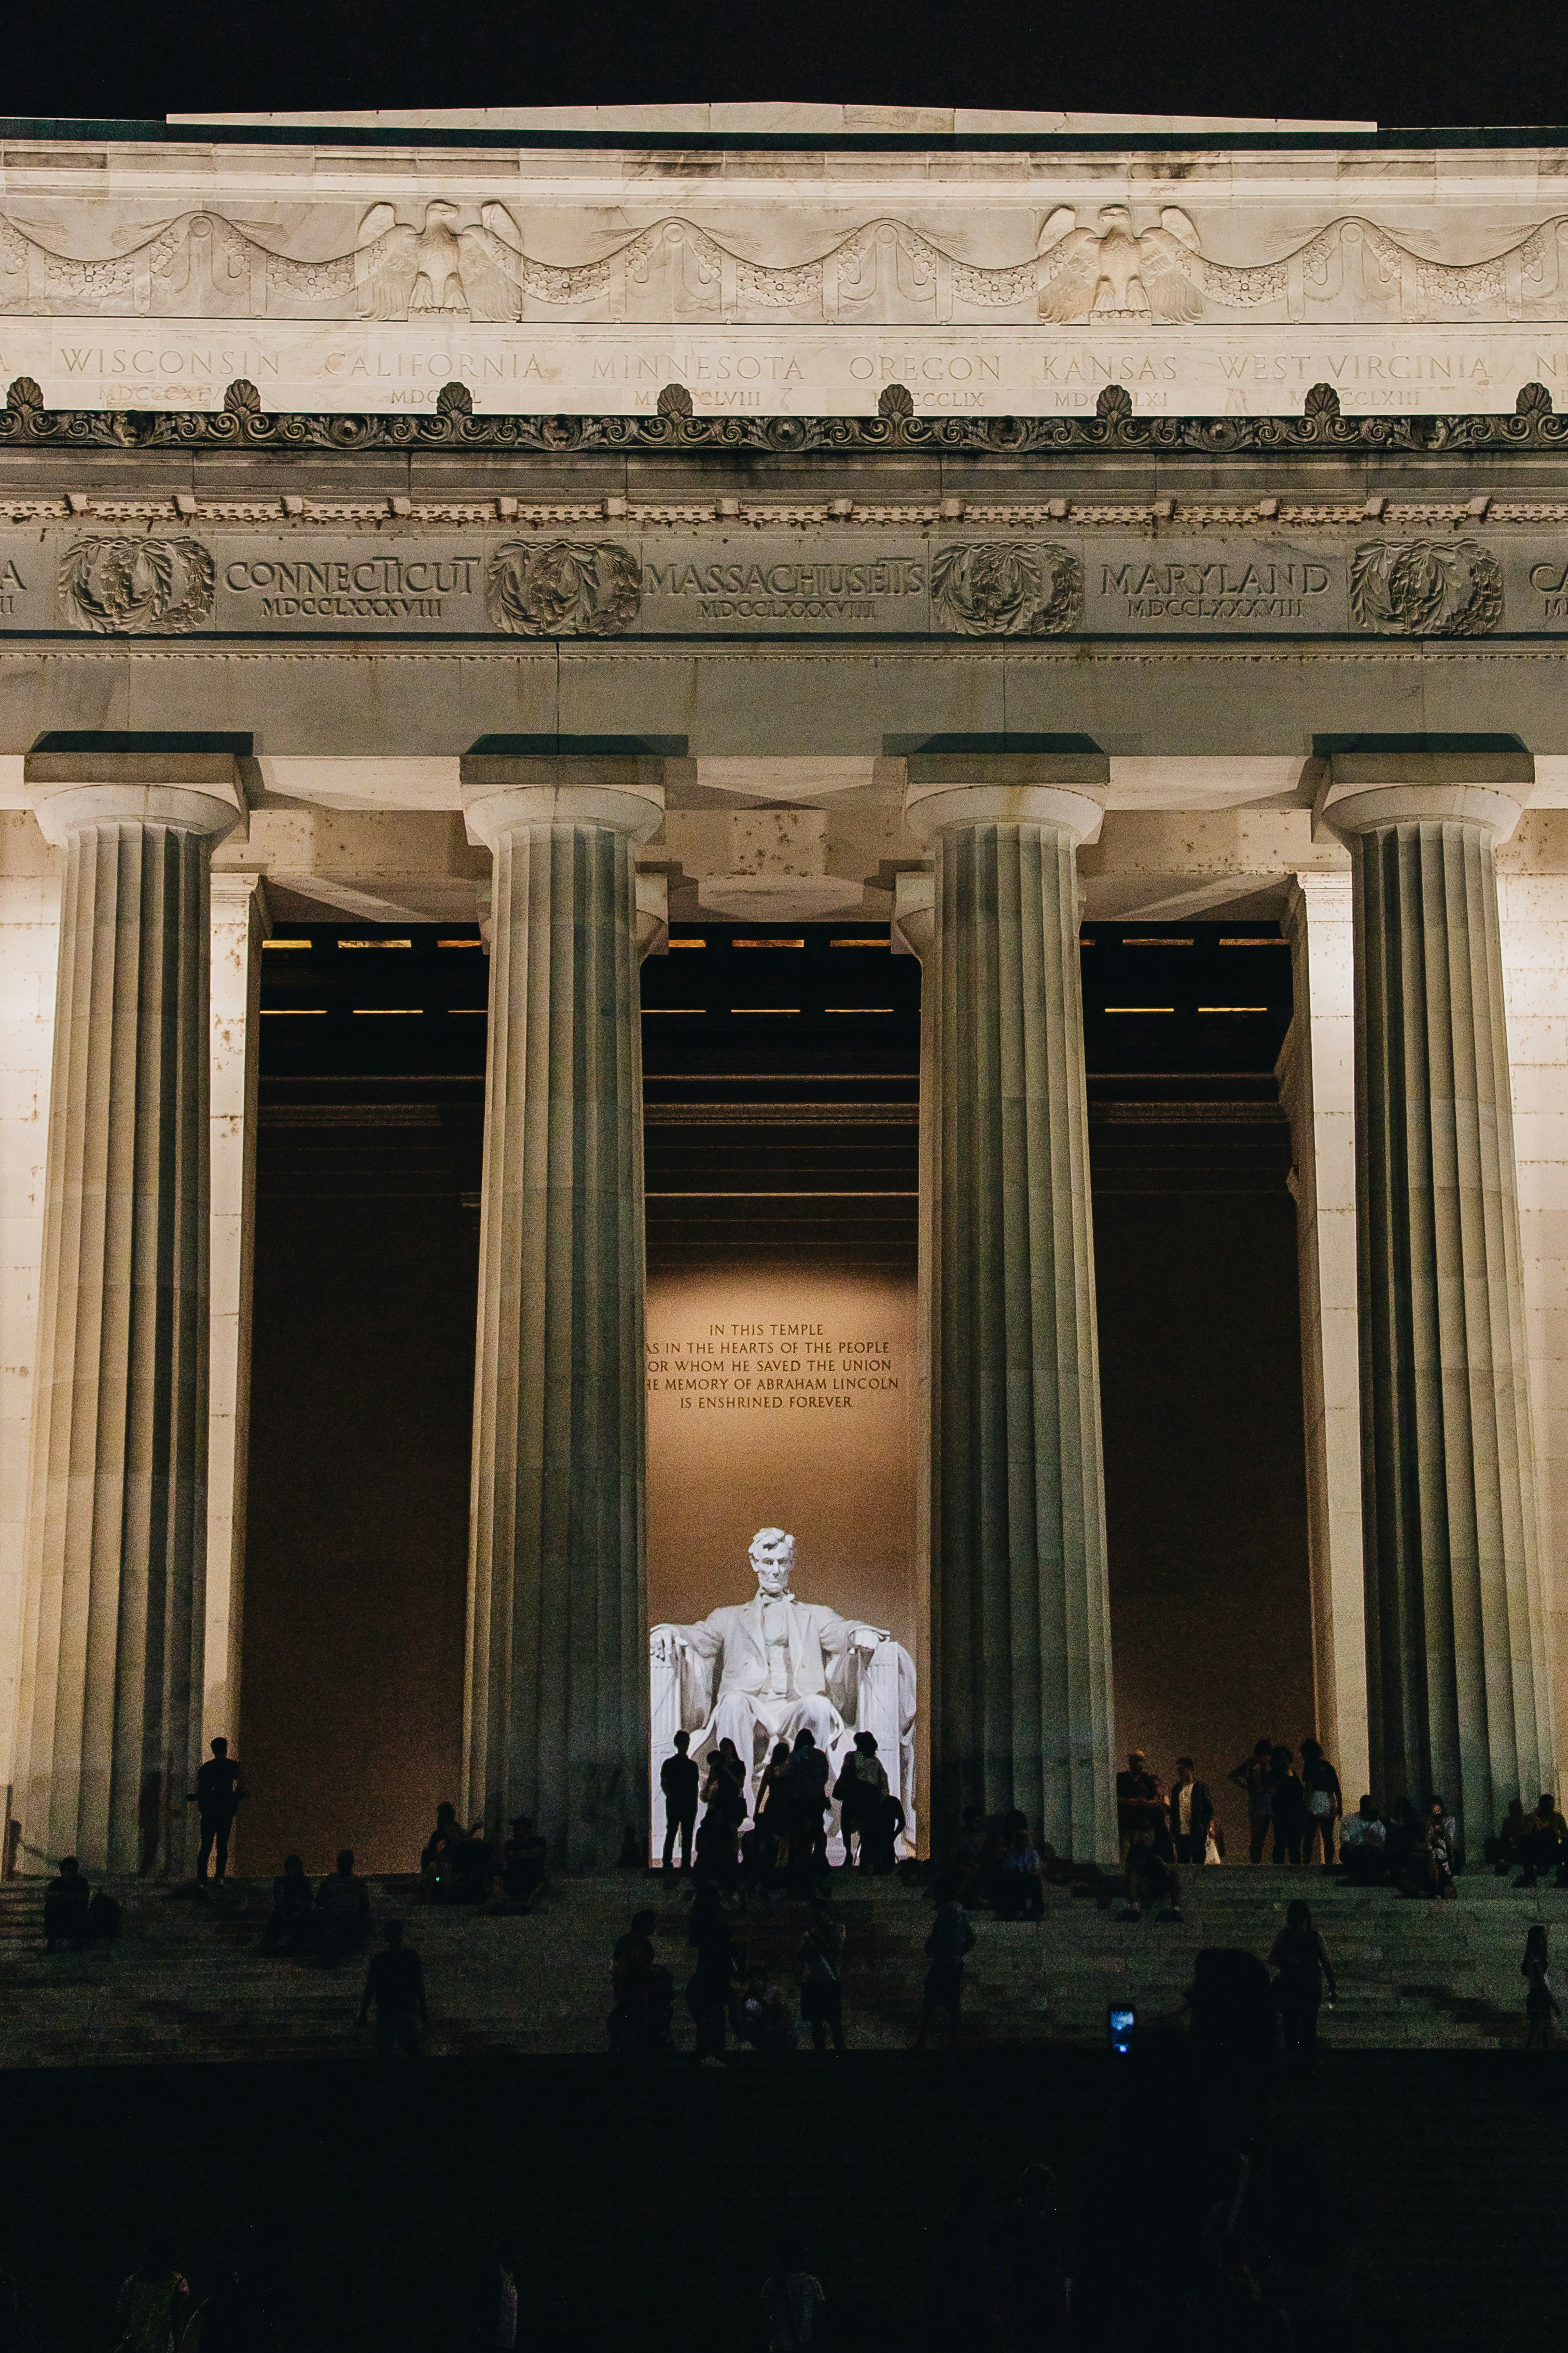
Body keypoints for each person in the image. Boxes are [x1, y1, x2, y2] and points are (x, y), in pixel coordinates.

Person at [992, 2163, 1065, 2353]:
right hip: (1029, 2293)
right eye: (1046, 2187)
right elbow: (1000, 2254)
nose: (1050, 2192)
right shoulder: (1020, 2220)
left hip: (1043, 2293)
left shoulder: (1047, 2220)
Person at [1270, 1897, 1337, 2062]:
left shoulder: (1314, 1937)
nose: (1300, 1924)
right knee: (1291, 2024)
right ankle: (1296, 2058)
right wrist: (1286, 1960)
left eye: (1302, 1919)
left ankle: (1306, 2061)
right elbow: (1272, 1958)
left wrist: (1333, 1985)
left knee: (1308, 2024)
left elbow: (1326, 1961)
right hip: (1291, 1985)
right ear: (1291, 1920)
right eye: (1296, 1920)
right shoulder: (1285, 1936)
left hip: (1310, 1986)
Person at [916, 1877, 975, 2047]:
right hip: (955, 1962)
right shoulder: (961, 1911)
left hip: (942, 1962)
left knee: (930, 2003)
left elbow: (938, 1934)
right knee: (953, 2004)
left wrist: (931, 1946)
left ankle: (923, 2042)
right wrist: (960, 1951)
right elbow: (971, 1939)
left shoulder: (946, 1910)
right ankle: (955, 2041)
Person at [685, 1880, 739, 2067]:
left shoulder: (700, 1921)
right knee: (713, 2014)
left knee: (710, 2016)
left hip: (707, 1969)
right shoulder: (717, 1924)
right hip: (715, 1971)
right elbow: (724, 1950)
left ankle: (707, 2054)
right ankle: (711, 2053)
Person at [357, 1919, 427, 2059]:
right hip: (393, 2011)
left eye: (399, 1934)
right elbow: (371, 1987)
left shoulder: (405, 1958)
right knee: (401, 2048)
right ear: (387, 1937)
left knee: (393, 2049)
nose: (397, 1938)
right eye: (395, 1934)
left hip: (397, 2011)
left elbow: (419, 1985)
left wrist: (364, 2012)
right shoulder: (404, 1958)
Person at [609, 1908, 672, 2058]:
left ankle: (617, 2050)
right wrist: (653, 1971)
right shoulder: (640, 1940)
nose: (654, 1926)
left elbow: (616, 1963)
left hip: (625, 1987)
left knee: (625, 2018)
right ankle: (631, 2052)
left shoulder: (625, 1939)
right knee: (638, 2020)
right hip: (637, 1987)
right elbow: (635, 1959)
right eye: (652, 1923)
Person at [112, 2236, 191, 2353]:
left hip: (131, 2346)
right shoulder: (177, 2283)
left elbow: (122, 2317)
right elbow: (177, 2319)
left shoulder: (132, 2281)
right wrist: (179, 2345)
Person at [187, 1736, 246, 1883]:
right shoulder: (232, 1766)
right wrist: (236, 1795)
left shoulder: (206, 1768)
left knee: (206, 1845)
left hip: (209, 1811)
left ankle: (202, 1879)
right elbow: (242, 1782)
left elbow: (200, 1789)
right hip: (225, 1811)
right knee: (222, 1845)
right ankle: (219, 1877)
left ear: (213, 1750)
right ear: (226, 1750)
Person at [798, 1899, 847, 2052]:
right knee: (816, 2023)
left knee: (834, 2022)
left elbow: (836, 1948)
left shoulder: (837, 1928)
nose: (813, 1914)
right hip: (811, 1979)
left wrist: (815, 1945)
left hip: (829, 1978)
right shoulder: (809, 1932)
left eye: (816, 1910)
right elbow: (800, 1954)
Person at [761, 2237, 825, 2353]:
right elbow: (820, 2316)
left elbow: (765, 2315)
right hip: (805, 2344)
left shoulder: (772, 2283)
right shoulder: (812, 2283)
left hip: (780, 2345)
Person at [315, 1848, 370, 1966]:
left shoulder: (359, 1883)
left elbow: (365, 1906)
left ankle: (341, 1948)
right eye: (341, 1862)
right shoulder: (331, 1880)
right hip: (334, 1917)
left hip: (352, 1919)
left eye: (345, 1862)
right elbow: (319, 1901)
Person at [1121, 1819, 1183, 1922]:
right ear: (1141, 1836)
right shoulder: (1136, 1848)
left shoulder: (1164, 1847)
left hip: (1160, 1879)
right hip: (1144, 1879)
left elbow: (1173, 1866)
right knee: (1132, 1876)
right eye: (1145, 1836)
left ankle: (1176, 1908)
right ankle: (1135, 1908)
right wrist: (1137, 1863)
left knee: (1174, 1876)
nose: (1148, 1838)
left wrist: (1162, 1863)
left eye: (1150, 1835)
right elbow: (1128, 1866)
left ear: (1154, 1834)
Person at [1229, 1736, 1276, 1865]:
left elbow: (1233, 1776)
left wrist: (1247, 1787)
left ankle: (1255, 1861)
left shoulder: (1250, 1763)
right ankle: (1256, 1862)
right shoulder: (1266, 1763)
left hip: (1255, 1800)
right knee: (1260, 1834)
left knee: (1256, 1832)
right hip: (1265, 1799)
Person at [660, 1730, 700, 1875]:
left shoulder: (691, 1765)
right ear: (677, 1744)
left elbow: (695, 1787)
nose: (685, 1745)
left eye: (686, 1742)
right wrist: (670, 1796)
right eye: (682, 1743)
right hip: (677, 1803)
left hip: (686, 1804)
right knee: (673, 1831)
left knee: (684, 1833)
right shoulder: (672, 1764)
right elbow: (665, 1783)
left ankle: (683, 1862)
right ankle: (669, 1861)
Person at [1114, 1749, 1164, 1862]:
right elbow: (1113, 1799)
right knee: (1124, 1860)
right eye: (1137, 1761)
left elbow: (1155, 1800)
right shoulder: (1121, 1778)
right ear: (1131, 1762)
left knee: (1143, 1860)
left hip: (1143, 1826)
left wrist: (1145, 1803)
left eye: (1142, 1761)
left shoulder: (1146, 1779)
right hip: (1126, 1826)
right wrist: (1131, 1802)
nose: (1140, 1764)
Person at [469, 2242, 520, 2352]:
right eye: (516, 2257)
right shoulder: (493, 2277)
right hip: (494, 2338)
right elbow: (483, 2307)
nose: (519, 2261)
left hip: (509, 2339)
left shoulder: (514, 2280)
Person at [1299, 1738, 1342, 1867]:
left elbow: (1309, 1786)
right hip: (1329, 1799)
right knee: (1327, 1836)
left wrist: (1305, 1803)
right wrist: (1340, 1806)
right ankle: (1329, 1863)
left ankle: (1306, 1863)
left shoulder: (1309, 1765)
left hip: (1316, 1798)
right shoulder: (1328, 1766)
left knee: (1309, 1835)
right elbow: (1337, 1788)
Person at [261, 1853, 315, 1956]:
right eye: (292, 1866)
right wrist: (283, 1914)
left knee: (306, 1920)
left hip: (299, 1914)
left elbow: (308, 1900)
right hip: (284, 1914)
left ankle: (293, 1947)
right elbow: (278, 1901)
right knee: (274, 1919)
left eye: (297, 1867)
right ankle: (268, 1947)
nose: (295, 1869)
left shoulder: (304, 1882)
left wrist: (299, 1912)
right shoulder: (281, 1882)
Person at [1169, 1757, 1215, 1868]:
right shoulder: (1177, 1789)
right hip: (1181, 1831)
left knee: (1198, 1860)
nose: (1180, 1772)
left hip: (1197, 1830)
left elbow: (1208, 1808)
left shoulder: (1199, 1787)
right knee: (1183, 1860)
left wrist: (1209, 1826)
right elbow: (1174, 1809)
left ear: (1190, 1770)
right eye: (1179, 1770)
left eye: (1183, 1769)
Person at [1517, 1792, 1568, 1888]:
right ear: (1541, 1806)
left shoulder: (1557, 1817)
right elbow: (1525, 1835)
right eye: (1547, 1806)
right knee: (1525, 1842)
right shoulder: (1531, 1818)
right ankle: (1530, 1878)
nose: (1549, 1809)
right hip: (1537, 1850)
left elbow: (1566, 1835)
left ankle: (1565, 1878)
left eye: (1551, 1806)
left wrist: (1556, 1834)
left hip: (1553, 1850)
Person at [995, 1827, 1046, 1920]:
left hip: (1030, 1879)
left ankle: (1036, 1910)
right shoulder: (1012, 1854)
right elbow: (1010, 1868)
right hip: (1017, 1880)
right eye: (1020, 1839)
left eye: (1025, 1840)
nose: (1023, 1842)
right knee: (1013, 1881)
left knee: (1035, 1881)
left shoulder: (1032, 1853)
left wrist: (1028, 1872)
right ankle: (1012, 1910)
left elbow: (1037, 1868)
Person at [42, 1855, 90, 1952]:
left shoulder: (81, 1882)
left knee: (78, 1912)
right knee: (50, 1911)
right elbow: (49, 1898)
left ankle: (77, 1942)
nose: (71, 1873)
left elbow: (84, 1897)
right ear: (63, 1871)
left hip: (75, 1911)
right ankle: (52, 1943)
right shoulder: (55, 1884)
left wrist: (65, 1896)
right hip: (59, 1911)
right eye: (68, 1870)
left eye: (73, 1870)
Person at [1523, 1924, 1560, 2050]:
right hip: (1538, 1998)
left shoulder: (1534, 1958)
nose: (1545, 1940)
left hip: (1538, 1997)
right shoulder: (1536, 1960)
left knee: (1542, 2033)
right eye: (1542, 1937)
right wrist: (1554, 2004)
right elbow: (1541, 1984)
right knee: (1538, 2031)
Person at [1269, 1746, 1306, 1867]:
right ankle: (1279, 1867)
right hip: (1281, 1812)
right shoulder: (1274, 1775)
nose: (1284, 1761)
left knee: (1294, 1844)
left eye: (1286, 1758)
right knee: (1281, 1841)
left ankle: (1295, 1867)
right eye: (1281, 1759)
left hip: (1296, 1812)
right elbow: (1272, 1792)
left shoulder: (1293, 1774)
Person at [500, 1816, 547, 1910]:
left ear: (527, 1829)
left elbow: (540, 1852)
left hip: (532, 1882)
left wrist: (520, 1854)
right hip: (515, 1884)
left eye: (519, 1827)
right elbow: (510, 1856)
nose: (515, 1830)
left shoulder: (538, 1841)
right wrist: (529, 1854)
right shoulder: (511, 1844)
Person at [1339, 1796, 1387, 1886]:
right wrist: (1349, 1844)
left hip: (1371, 1851)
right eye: (1367, 1805)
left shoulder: (1378, 1824)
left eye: (1371, 1805)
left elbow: (1380, 1843)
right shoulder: (1352, 1819)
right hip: (1355, 1850)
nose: (1370, 1808)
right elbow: (1345, 1836)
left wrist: (1370, 1847)